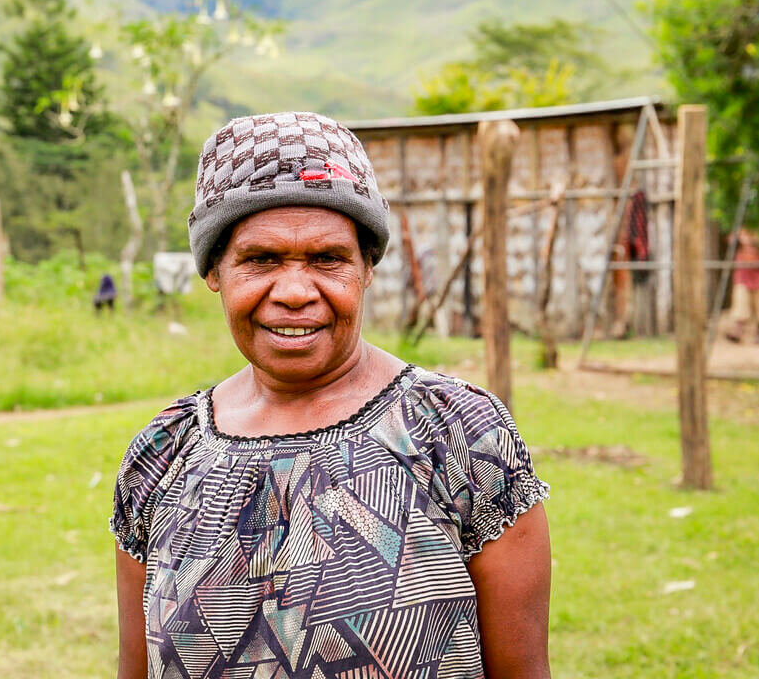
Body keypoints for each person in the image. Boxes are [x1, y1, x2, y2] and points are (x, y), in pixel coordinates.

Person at [111, 112, 551, 678]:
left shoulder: (459, 434)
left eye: (328, 259)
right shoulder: (163, 454)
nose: (294, 292)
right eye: (260, 259)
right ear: (214, 271)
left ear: (367, 267)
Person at [725, 225, 759, 345]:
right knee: (740, 306)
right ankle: (737, 332)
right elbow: (731, 241)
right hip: (744, 278)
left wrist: (753, 241)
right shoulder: (741, 230)